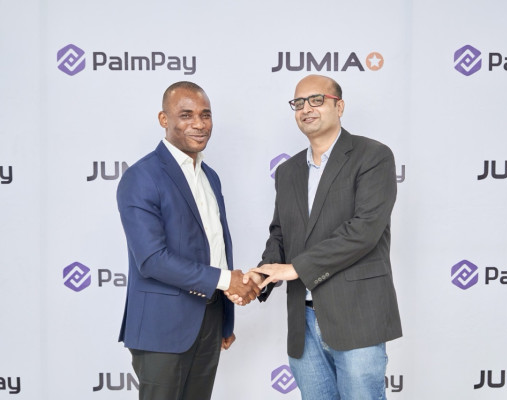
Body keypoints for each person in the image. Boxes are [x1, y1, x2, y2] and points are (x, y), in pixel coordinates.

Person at [249, 74, 403, 399]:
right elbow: (281, 233)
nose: (306, 109)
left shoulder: (373, 156)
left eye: (316, 100)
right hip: (302, 321)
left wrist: (295, 269)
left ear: (339, 106)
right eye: (298, 103)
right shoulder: (288, 171)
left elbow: (364, 231)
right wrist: (262, 274)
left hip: (357, 315)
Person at [116, 81, 260, 400]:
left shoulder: (210, 176)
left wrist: (225, 319)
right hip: (162, 328)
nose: (199, 123)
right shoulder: (142, 176)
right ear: (164, 119)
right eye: (186, 115)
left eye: (205, 115)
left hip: (209, 320)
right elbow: (152, 259)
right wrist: (228, 280)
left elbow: (215, 246)